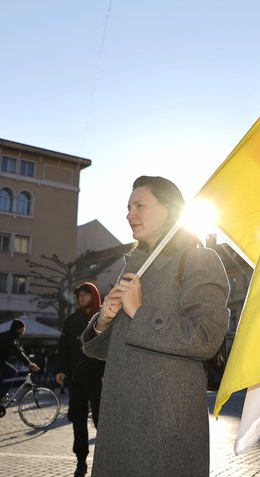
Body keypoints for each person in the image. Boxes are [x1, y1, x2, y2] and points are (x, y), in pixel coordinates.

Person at [81, 176, 230, 477]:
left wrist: (138, 311)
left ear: (169, 210)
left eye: (140, 205)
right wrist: (103, 322)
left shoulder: (199, 260)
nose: (129, 214)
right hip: (119, 422)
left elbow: (205, 337)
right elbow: (109, 348)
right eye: (128, 206)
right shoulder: (133, 266)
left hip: (165, 428)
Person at [56, 282, 106, 477]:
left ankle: (105, 457)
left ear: (94, 296)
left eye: (85, 295)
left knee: (102, 420)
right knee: (78, 419)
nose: (81, 298)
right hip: (77, 378)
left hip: (99, 378)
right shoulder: (71, 320)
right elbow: (63, 348)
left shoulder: (104, 316)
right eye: (79, 295)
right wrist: (60, 370)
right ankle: (81, 461)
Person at [0, 319, 39, 417]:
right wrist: (29, 364)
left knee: (13, 372)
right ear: (18, 329)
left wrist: (29, 363)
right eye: (23, 328)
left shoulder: (12, 337)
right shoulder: (8, 338)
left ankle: (2, 396)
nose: (24, 330)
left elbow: (20, 350)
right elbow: (18, 353)